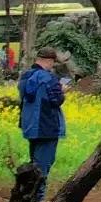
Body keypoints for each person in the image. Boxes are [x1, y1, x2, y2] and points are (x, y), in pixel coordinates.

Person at [19, 45, 69, 182]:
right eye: (53, 62)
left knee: (34, 162)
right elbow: (56, 100)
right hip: (47, 126)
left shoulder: (25, 77)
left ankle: (29, 195)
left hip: (29, 125)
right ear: (49, 60)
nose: (53, 66)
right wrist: (62, 92)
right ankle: (37, 198)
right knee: (42, 167)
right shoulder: (48, 78)